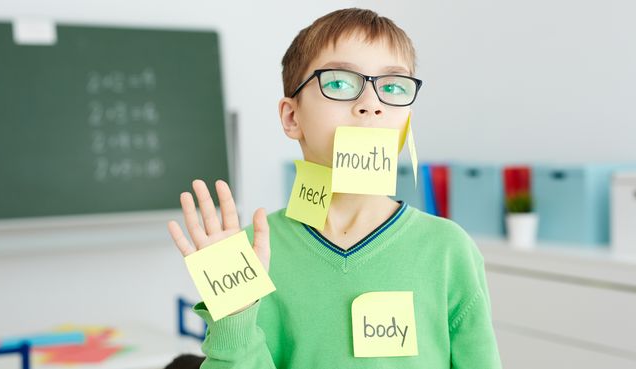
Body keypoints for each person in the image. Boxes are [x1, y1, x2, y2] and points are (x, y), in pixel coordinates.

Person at [167, 7, 502, 368]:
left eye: (392, 87)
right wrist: (234, 308)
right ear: (292, 117)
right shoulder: (250, 252)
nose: (371, 104)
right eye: (340, 83)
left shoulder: (449, 250)